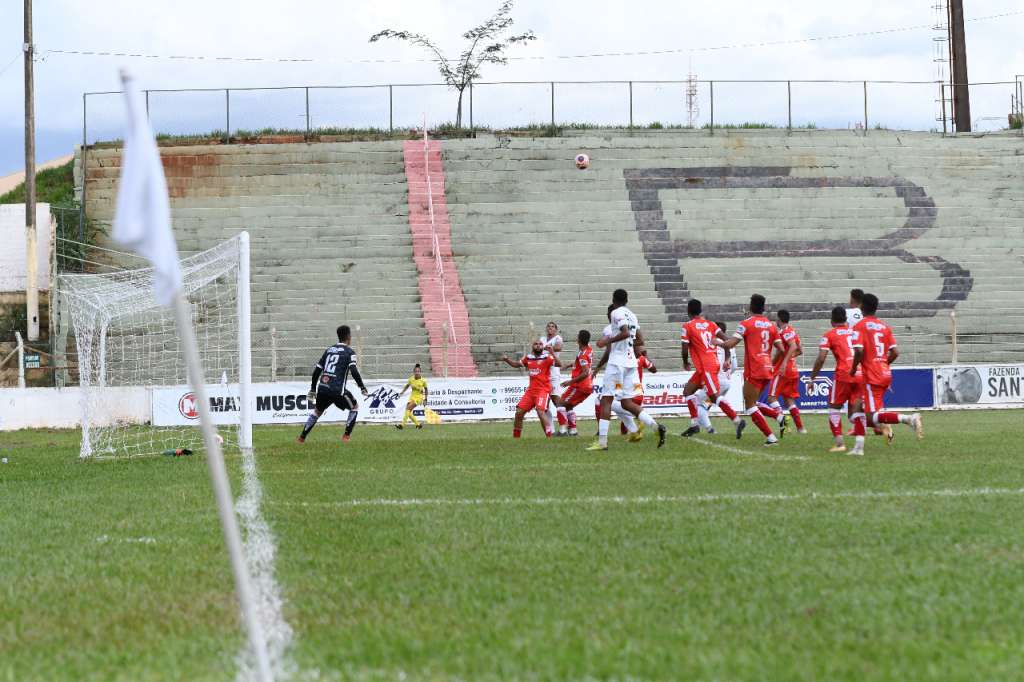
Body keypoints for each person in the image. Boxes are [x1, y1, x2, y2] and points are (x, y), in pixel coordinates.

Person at [588, 289, 667, 451]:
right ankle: (655, 426)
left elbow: (624, 333)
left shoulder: (616, 312)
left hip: (617, 362)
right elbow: (640, 339)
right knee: (626, 402)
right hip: (631, 363)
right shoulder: (632, 315)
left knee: (605, 401)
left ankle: (602, 442)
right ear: (627, 300)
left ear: (613, 299)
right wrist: (626, 342)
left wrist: (606, 341)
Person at [848, 293, 924, 456]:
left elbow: (859, 351)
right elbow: (895, 352)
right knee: (857, 407)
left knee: (871, 416)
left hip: (872, 375)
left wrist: (853, 368)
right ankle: (858, 448)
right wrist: (883, 364)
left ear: (861, 307)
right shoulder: (884, 327)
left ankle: (909, 419)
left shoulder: (859, 326)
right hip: (884, 372)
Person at [718, 294, 785, 446]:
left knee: (750, 406)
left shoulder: (746, 323)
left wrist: (717, 342)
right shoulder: (771, 325)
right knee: (753, 402)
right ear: (763, 307)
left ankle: (771, 438)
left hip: (754, 369)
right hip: (767, 368)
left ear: (751, 306)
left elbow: (730, 344)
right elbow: (781, 349)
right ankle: (780, 418)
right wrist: (771, 363)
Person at [679, 298, 745, 439]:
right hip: (707, 365)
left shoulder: (687, 326)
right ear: (700, 310)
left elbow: (684, 349)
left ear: (688, 311)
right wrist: (726, 358)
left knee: (714, 396)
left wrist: (685, 362)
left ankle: (737, 420)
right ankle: (694, 425)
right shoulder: (711, 324)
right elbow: (728, 340)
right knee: (688, 391)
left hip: (706, 366)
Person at [297, 325, 369, 443]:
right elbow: (354, 370)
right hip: (337, 390)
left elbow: (317, 371)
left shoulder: (329, 350)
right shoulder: (349, 352)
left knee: (317, 412)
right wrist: (362, 387)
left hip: (323, 388)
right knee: (355, 407)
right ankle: (346, 437)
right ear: (349, 337)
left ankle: (301, 437)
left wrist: (313, 389)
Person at [810, 307, 863, 452]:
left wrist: (812, 378)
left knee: (834, 408)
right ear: (846, 319)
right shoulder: (855, 332)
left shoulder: (829, 335)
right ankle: (883, 422)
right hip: (860, 374)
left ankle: (840, 444)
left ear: (831, 321)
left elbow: (821, 358)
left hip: (844, 375)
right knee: (855, 413)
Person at [757, 309, 805, 435]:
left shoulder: (784, 332)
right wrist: (788, 359)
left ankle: (783, 422)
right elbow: (800, 350)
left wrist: (783, 363)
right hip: (793, 370)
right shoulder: (792, 331)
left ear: (779, 319)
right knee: (789, 400)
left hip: (783, 371)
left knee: (771, 397)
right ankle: (801, 428)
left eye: (776, 318)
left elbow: (792, 346)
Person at [501, 339, 561, 438]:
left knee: (540, 411)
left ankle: (549, 436)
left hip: (543, 390)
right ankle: (516, 438)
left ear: (543, 347)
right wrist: (507, 360)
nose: (538, 345)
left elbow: (559, 364)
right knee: (519, 413)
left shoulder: (547, 357)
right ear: (532, 346)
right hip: (531, 391)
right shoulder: (528, 358)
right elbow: (516, 364)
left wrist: (552, 352)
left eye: (540, 344)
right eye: (536, 344)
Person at [554, 330, 593, 436]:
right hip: (587, 386)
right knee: (569, 405)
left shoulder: (583, 354)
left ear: (579, 339)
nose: (576, 337)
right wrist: (570, 365)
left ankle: (563, 430)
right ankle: (573, 431)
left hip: (580, 385)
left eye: (577, 336)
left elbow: (585, 372)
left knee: (560, 403)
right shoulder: (588, 349)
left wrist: (570, 382)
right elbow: (583, 364)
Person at [539, 322, 564, 426]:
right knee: (545, 403)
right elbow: (537, 349)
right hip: (543, 373)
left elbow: (558, 347)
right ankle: (550, 428)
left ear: (555, 329)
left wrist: (545, 347)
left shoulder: (558, 338)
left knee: (556, 399)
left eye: (552, 326)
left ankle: (564, 426)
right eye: (548, 326)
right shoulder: (542, 339)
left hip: (553, 372)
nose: (550, 328)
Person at [395, 363, 428, 430]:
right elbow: (407, 385)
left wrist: (425, 399)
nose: (417, 373)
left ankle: (402, 425)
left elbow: (426, 389)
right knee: (408, 412)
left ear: (420, 372)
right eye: (415, 371)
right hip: (412, 396)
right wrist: (402, 392)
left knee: (408, 409)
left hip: (419, 398)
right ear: (414, 372)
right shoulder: (411, 379)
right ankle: (418, 425)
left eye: (418, 371)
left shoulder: (423, 380)